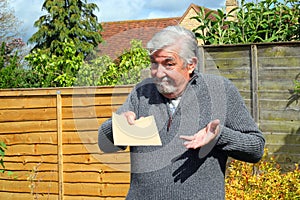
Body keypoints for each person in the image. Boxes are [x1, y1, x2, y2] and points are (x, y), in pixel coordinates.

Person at [98, 25, 265, 199]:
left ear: (191, 64)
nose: (158, 72)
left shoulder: (219, 91)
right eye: (154, 63)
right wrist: (117, 126)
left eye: (168, 64)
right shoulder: (141, 93)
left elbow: (256, 148)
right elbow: (105, 143)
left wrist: (219, 136)